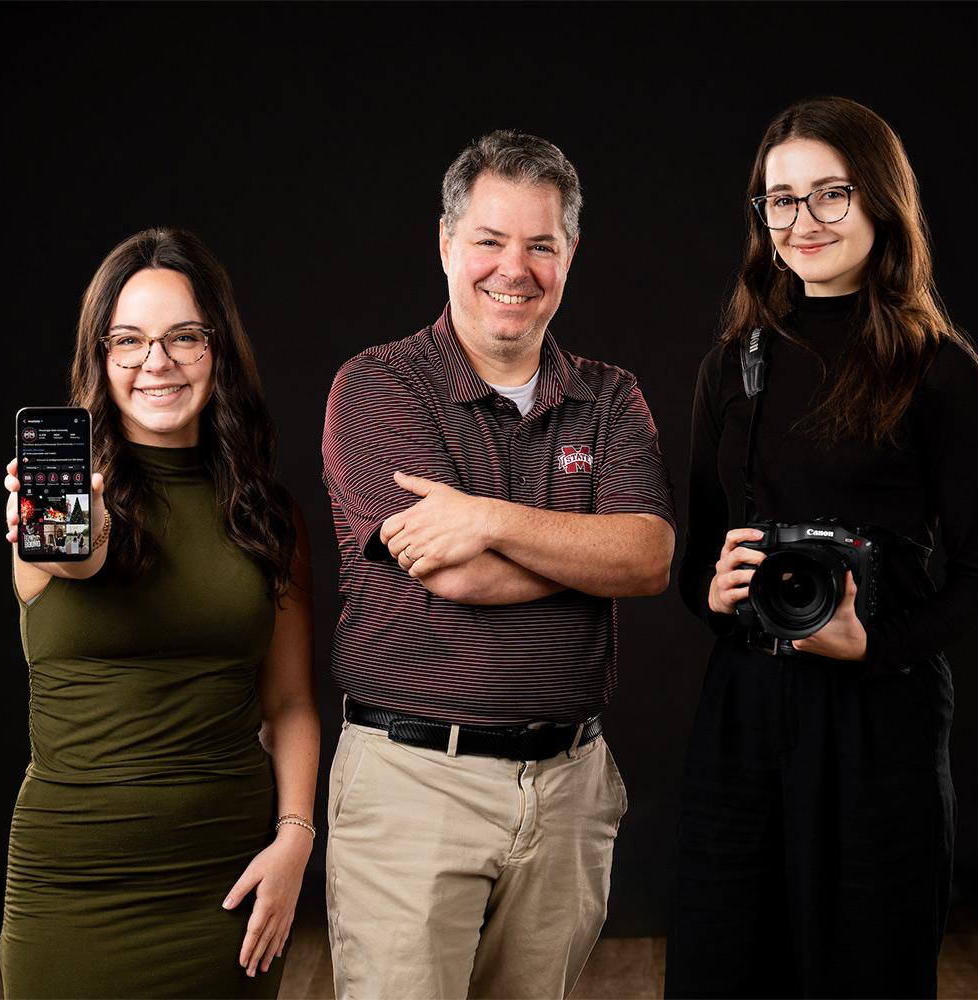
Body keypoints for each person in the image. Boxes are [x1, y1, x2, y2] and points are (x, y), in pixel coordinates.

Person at [319, 130, 676, 1000]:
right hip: (413, 784)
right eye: (487, 239)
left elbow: (651, 555)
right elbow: (456, 577)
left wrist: (488, 519)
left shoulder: (613, 396)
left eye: (540, 245)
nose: (512, 268)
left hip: (569, 791)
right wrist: (593, 548)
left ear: (570, 256)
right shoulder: (377, 387)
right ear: (446, 242)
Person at [667, 97, 978, 998]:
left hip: (878, 718)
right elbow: (694, 554)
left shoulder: (938, 368)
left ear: (881, 202)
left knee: (867, 972)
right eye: (780, 200)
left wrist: (872, 647)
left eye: (829, 195)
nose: (802, 222)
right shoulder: (733, 364)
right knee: (721, 967)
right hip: (744, 709)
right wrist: (710, 590)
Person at [0, 228, 318, 998]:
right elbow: (81, 557)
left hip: (225, 887)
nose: (157, 362)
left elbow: (290, 702)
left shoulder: (266, 515)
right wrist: (86, 523)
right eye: (129, 341)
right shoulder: (64, 499)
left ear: (219, 348)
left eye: (183, 338)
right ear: (101, 358)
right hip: (69, 894)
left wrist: (295, 841)